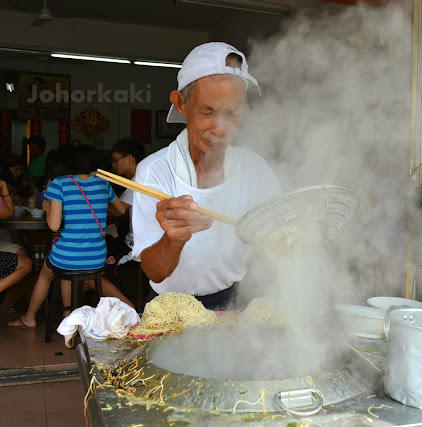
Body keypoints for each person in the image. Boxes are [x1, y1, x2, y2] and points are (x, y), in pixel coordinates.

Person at [131, 42, 281, 310]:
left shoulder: (255, 170)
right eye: (208, 111)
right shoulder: (155, 171)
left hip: (234, 302)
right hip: (170, 308)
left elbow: (280, 243)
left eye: (232, 113)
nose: (220, 128)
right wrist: (173, 239)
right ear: (180, 104)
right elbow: (155, 272)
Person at [9, 145, 134, 328]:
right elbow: (121, 209)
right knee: (66, 269)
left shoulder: (60, 183)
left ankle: (30, 318)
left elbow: (53, 225)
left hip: (68, 255)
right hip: (97, 255)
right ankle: (69, 316)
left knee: (47, 273)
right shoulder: (102, 183)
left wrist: (47, 206)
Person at [102, 138, 145, 285]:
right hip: (139, 241)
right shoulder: (141, 178)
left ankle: (124, 304)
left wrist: (93, 205)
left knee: (96, 266)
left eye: (115, 160)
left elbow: (118, 211)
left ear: (130, 159)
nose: (113, 165)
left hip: (136, 246)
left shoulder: (139, 181)